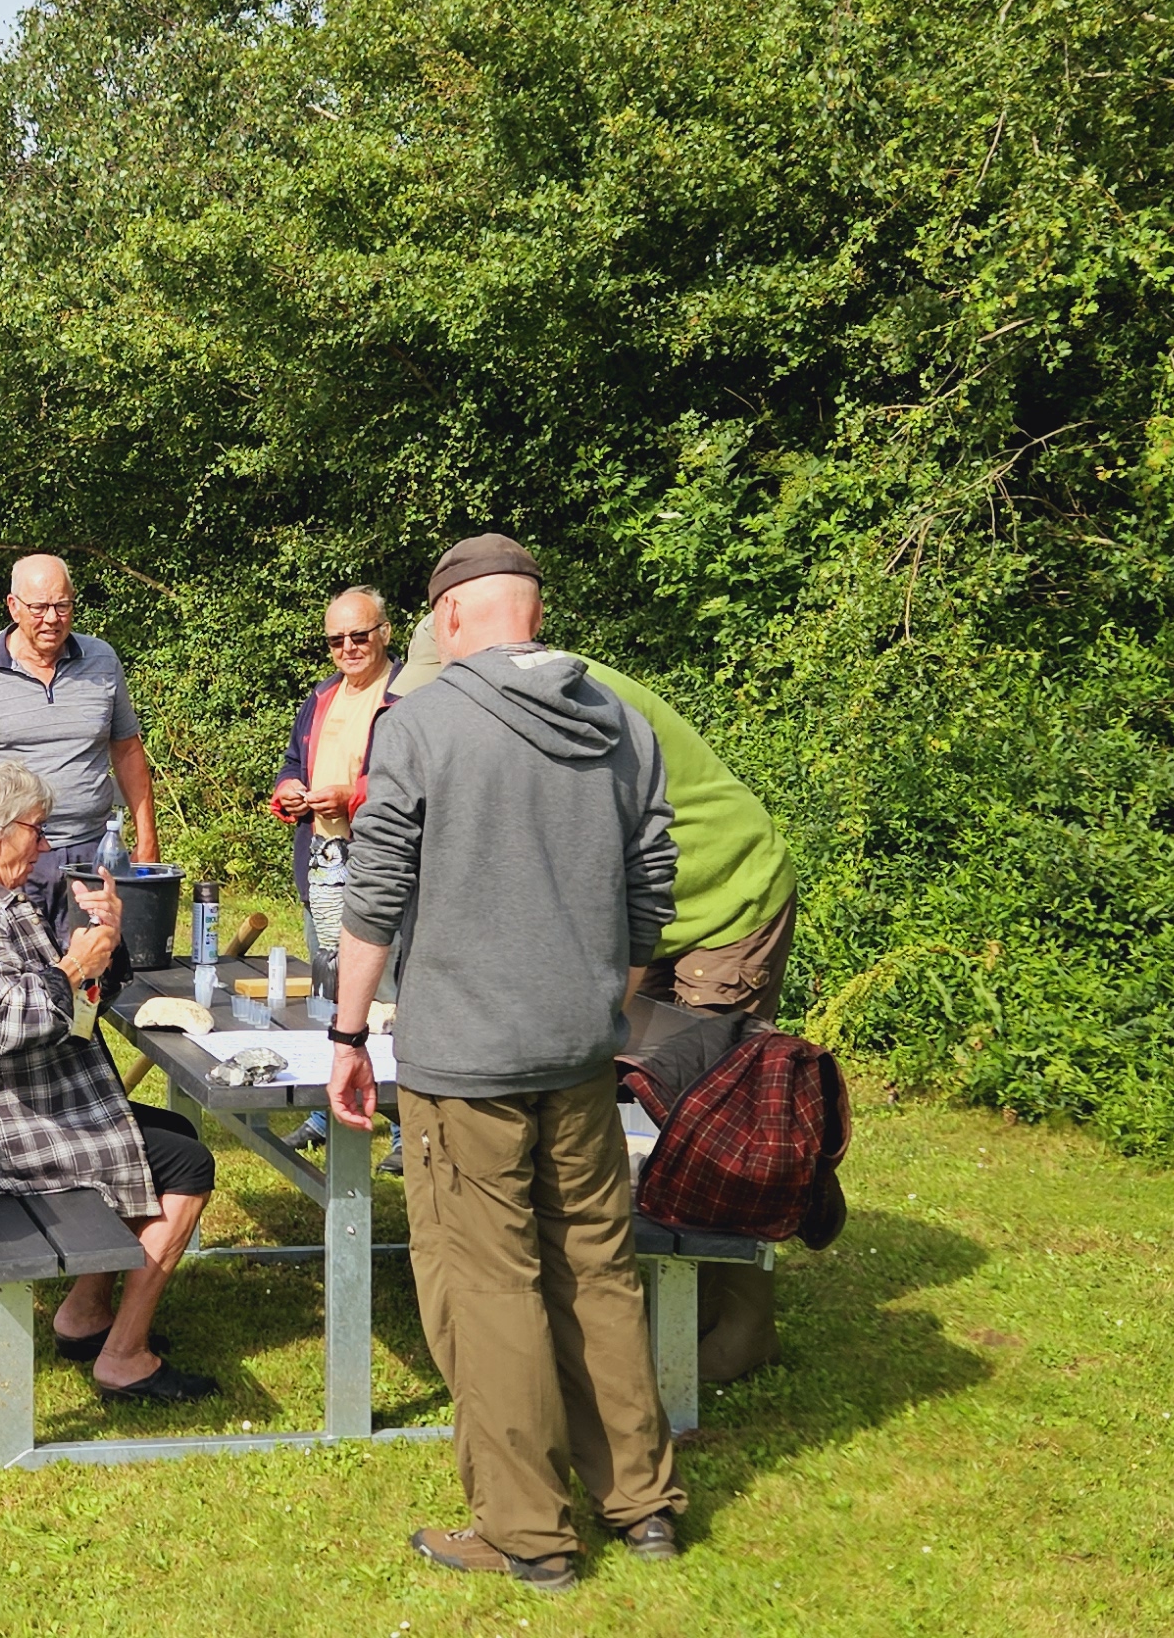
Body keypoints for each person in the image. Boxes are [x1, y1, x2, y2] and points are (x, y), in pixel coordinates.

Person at [328, 533, 686, 1587]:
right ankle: (643, 1505)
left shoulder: (423, 721)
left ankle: (527, 1532)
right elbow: (650, 886)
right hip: (579, 1048)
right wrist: (600, 1008)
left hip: (464, 1064)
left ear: (445, 620)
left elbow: (376, 889)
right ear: (531, 611)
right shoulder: (620, 719)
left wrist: (347, 1035)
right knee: (595, 1269)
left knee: (485, 1287)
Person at [395, 618, 803, 1381]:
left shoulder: (577, 701)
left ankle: (743, 1324)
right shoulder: (507, 703)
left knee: (709, 1113)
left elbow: (597, 852)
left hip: (721, 898)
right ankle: (640, 1299)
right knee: (616, 1092)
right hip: (642, 915)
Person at [0, 759, 220, 1403]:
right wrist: (75, 964)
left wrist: (106, 940)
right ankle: (123, 1356)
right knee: (185, 1163)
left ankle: (83, 1315)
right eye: (37, 830)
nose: (45, 846)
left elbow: (67, 1014)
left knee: (173, 1132)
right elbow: (8, 1024)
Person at [0, 554, 158, 938]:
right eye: (40, 607)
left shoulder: (102, 660)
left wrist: (146, 843)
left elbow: (128, 752)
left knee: (100, 972)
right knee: (15, 975)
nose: (52, 618)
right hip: (6, 859)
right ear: (13, 607)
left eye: (63, 606)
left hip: (91, 855)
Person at [275, 585, 402, 977]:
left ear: (385, 632)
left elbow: (417, 783)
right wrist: (288, 791)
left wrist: (354, 797)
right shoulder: (321, 695)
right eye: (336, 640)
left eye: (359, 635)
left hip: (383, 872)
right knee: (329, 986)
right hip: (321, 868)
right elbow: (293, 762)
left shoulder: (409, 697)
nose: (348, 647)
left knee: (384, 1000)